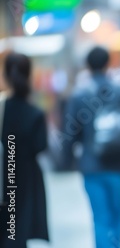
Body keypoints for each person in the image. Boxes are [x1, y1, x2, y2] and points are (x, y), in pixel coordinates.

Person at [62, 46, 120, 248]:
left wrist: (67, 161)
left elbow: (69, 133)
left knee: (100, 217)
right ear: (108, 63)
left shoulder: (78, 95)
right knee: (117, 215)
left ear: (87, 65)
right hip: (118, 165)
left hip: (91, 165)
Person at [0, 52, 49, 248]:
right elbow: (41, 146)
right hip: (26, 177)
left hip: (3, 176)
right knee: (18, 230)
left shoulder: (2, 109)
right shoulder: (34, 112)